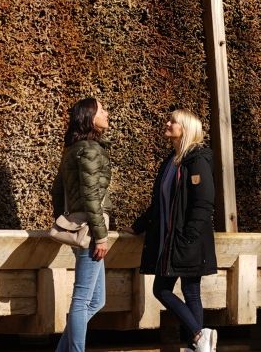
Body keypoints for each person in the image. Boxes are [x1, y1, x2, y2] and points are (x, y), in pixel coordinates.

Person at [134, 109, 219, 352]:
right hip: (170, 240)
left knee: (163, 290)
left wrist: (189, 236)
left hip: (185, 240)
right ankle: (200, 344)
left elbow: (204, 203)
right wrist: (138, 226)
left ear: (186, 129)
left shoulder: (197, 160)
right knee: (190, 292)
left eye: (173, 121)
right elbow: (160, 203)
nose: (167, 123)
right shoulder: (171, 161)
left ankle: (198, 336)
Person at [54, 97, 113, 352]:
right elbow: (91, 196)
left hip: (82, 227)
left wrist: (67, 222)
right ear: (90, 117)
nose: (107, 113)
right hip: (91, 230)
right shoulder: (89, 149)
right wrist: (100, 235)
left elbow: (57, 190)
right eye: (102, 110)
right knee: (82, 299)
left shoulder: (73, 149)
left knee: (97, 300)